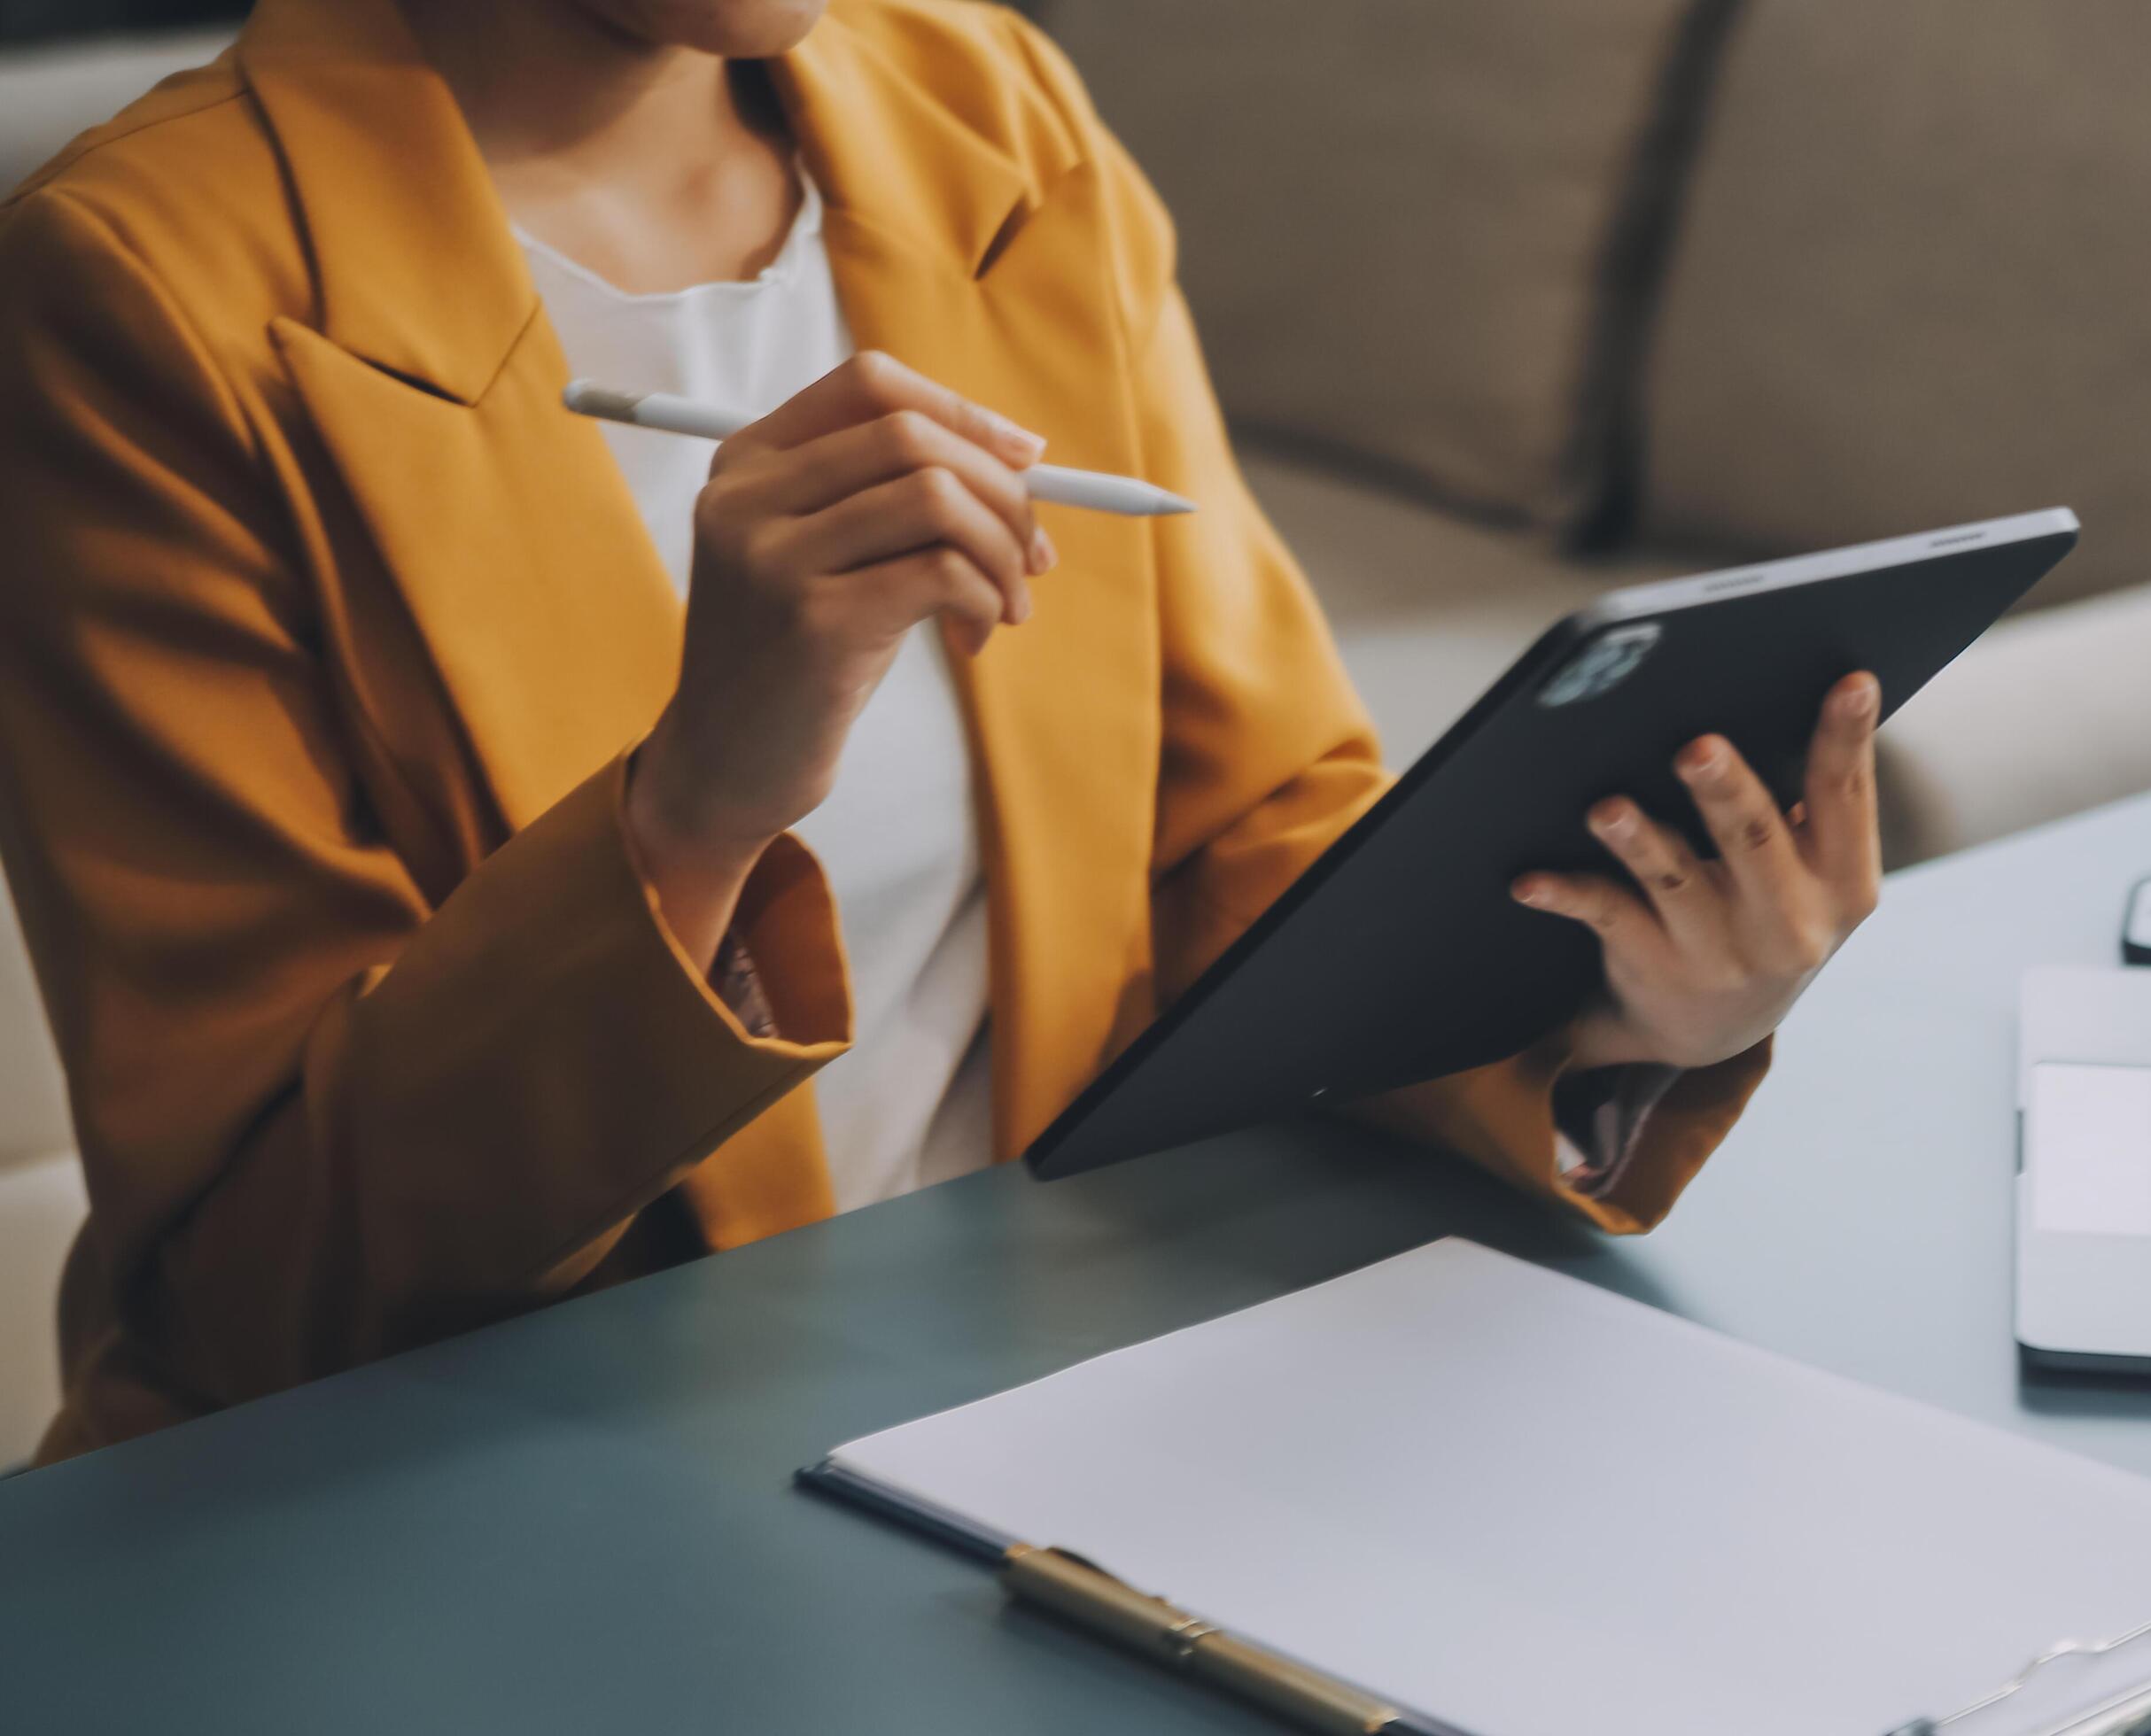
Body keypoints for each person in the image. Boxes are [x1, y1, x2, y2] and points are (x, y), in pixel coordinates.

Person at [0, 0, 1883, 1465]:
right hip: (490, 1483)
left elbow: (1247, 837)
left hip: (1046, 1395)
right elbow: (254, 1293)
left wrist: (1622, 1018)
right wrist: (699, 800)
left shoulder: (989, 107)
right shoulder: (143, 290)